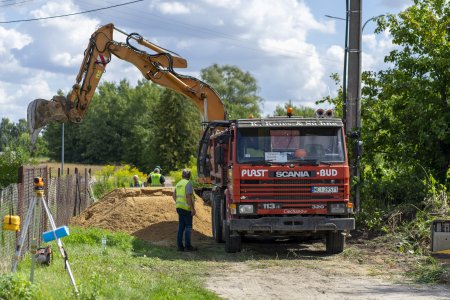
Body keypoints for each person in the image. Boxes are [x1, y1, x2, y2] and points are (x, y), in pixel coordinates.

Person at [172, 169, 197, 252]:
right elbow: (188, 196)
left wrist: (179, 203)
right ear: (189, 176)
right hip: (186, 209)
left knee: (181, 227)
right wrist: (192, 208)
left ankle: (180, 247)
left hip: (179, 207)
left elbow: (173, 196)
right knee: (188, 227)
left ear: (182, 175)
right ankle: (187, 247)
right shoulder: (188, 183)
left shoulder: (178, 183)